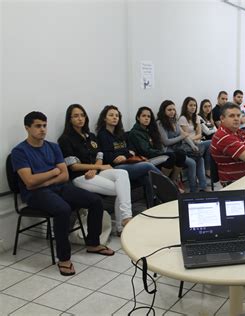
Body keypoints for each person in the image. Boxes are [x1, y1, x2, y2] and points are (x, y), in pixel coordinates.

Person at [12, 112, 114, 276]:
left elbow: (65, 175)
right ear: (27, 128)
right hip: (34, 194)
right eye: (38, 126)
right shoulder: (19, 151)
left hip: (57, 187)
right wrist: (53, 172)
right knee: (63, 209)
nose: (43, 129)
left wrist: (46, 179)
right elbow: (30, 182)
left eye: (44, 125)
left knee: (95, 201)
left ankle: (93, 243)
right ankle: (64, 258)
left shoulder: (53, 146)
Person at [58, 104, 133, 234]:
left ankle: (126, 217)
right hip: (80, 177)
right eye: (76, 116)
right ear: (69, 120)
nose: (80, 118)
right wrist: (98, 167)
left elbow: (99, 156)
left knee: (122, 173)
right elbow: (74, 166)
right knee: (121, 189)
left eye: (82, 115)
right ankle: (123, 226)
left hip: (96, 173)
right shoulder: (65, 139)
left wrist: (96, 169)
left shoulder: (91, 136)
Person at [96, 105, 162, 207]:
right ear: (104, 118)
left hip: (127, 163)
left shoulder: (120, 133)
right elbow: (107, 156)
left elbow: (131, 151)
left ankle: (152, 205)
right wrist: (123, 155)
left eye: (117, 116)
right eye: (111, 115)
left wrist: (124, 156)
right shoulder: (102, 135)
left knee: (146, 177)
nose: (114, 117)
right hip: (113, 168)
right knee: (147, 166)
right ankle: (171, 189)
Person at [127, 106, 186, 190]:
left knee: (181, 154)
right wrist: (161, 153)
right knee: (171, 156)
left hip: (155, 154)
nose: (146, 118)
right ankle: (162, 185)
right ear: (138, 118)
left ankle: (172, 181)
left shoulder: (150, 129)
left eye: (149, 116)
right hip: (146, 159)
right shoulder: (135, 132)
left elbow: (158, 145)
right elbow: (145, 151)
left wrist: (161, 151)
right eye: (144, 116)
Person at [157, 100, 207, 192]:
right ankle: (193, 190)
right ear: (163, 111)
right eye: (169, 110)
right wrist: (181, 137)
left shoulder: (174, 121)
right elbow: (166, 142)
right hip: (171, 152)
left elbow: (184, 135)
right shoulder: (160, 123)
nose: (172, 112)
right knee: (192, 163)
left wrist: (192, 146)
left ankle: (203, 187)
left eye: (173, 109)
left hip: (181, 149)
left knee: (200, 158)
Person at [211, 102, 245, 183]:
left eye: (238, 115)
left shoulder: (241, 131)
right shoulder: (222, 136)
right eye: (232, 116)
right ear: (222, 118)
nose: (236, 119)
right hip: (237, 184)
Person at [179, 97, 212, 178]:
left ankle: (205, 173)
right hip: (188, 144)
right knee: (211, 142)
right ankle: (207, 170)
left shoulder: (196, 117)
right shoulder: (183, 118)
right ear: (186, 106)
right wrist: (194, 140)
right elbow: (186, 136)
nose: (193, 107)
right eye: (190, 105)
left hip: (197, 142)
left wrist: (195, 139)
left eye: (194, 105)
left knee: (209, 146)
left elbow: (200, 134)